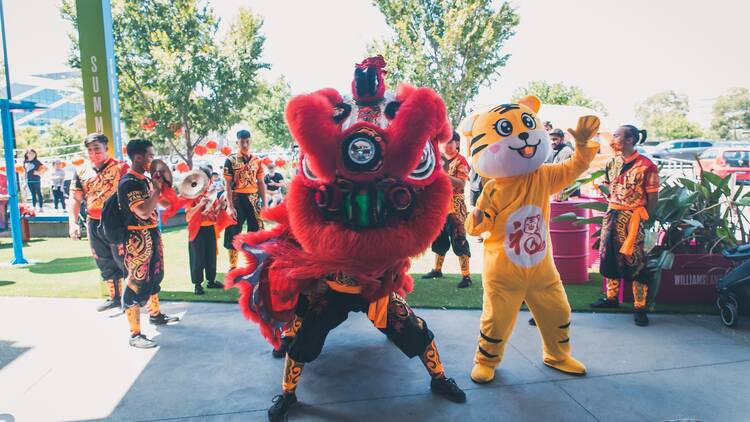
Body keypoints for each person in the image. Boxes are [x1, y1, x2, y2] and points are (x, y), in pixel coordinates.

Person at [590, 125, 660, 327]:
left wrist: (645, 216)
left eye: (617, 136)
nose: (613, 139)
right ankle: (611, 299)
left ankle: (640, 307)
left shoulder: (647, 166)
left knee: (635, 260)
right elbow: (607, 187)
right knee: (609, 255)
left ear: (630, 140)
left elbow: (653, 196)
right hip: (612, 214)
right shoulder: (612, 162)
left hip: (633, 218)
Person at [118, 139, 180, 349]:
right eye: (150, 156)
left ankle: (155, 314)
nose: (152, 160)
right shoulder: (129, 183)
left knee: (154, 275)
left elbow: (161, 203)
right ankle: (134, 333)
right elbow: (143, 211)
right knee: (136, 281)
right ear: (138, 157)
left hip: (151, 233)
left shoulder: (144, 180)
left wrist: (166, 190)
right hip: (136, 238)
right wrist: (156, 190)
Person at [68, 133, 129, 312]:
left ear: (106, 148)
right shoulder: (81, 171)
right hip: (93, 222)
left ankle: (132, 299)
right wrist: (73, 223)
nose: (94, 153)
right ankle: (114, 298)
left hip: (116, 222)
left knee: (124, 260)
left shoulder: (121, 168)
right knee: (103, 260)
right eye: (90, 150)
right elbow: (75, 198)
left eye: (97, 149)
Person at [422, 131, 473, 288]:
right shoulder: (439, 158)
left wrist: (441, 174)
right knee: (439, 239)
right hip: (440, 205)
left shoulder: (461, 161)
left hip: (455, 207)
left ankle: (466, 276)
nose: (446, 145)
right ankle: (437, 269)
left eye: (450, 142)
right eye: (444, 142)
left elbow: (462, 184)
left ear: (457, 143)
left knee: (459, 239)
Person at [223, 129, 266, 270]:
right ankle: (233, 265)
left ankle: (254, 262)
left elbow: (261, 183)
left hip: (253, 197)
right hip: (236, 198)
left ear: (250, 141)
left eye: (247, 141)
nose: (245, 144)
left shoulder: (257, 160)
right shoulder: (230, 160)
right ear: (237, 142)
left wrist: (265, 204)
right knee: (233, 230)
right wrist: (229, 206)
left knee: (256, 230)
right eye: (242, 142)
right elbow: (227, 184)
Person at [186, 167, 228, 295]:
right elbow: (188, 215)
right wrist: (200, 205)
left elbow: (214, 214)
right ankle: (197, 285)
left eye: (206, 178)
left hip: (209, 228)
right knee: (197, 258)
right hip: (196, 229)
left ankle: (211, 281)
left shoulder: (212, 194)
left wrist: (221, 204)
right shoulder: (191, 194)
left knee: (211, 256)